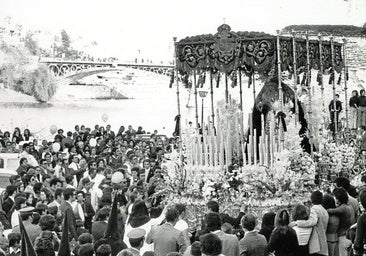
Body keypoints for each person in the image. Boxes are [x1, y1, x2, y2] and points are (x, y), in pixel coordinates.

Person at [292, 190, 329, 256]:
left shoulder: (314, 209)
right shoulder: (324, 210)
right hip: (323, 240)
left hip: (317, 243)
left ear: (312, 199)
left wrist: (297, 223)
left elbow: (312, 222)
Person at [327, 188, 354, 256]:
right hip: (349, 236)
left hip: (343, 237)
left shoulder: (343, 208)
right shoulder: (350, 206)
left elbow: (330, 211)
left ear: (339, 199)